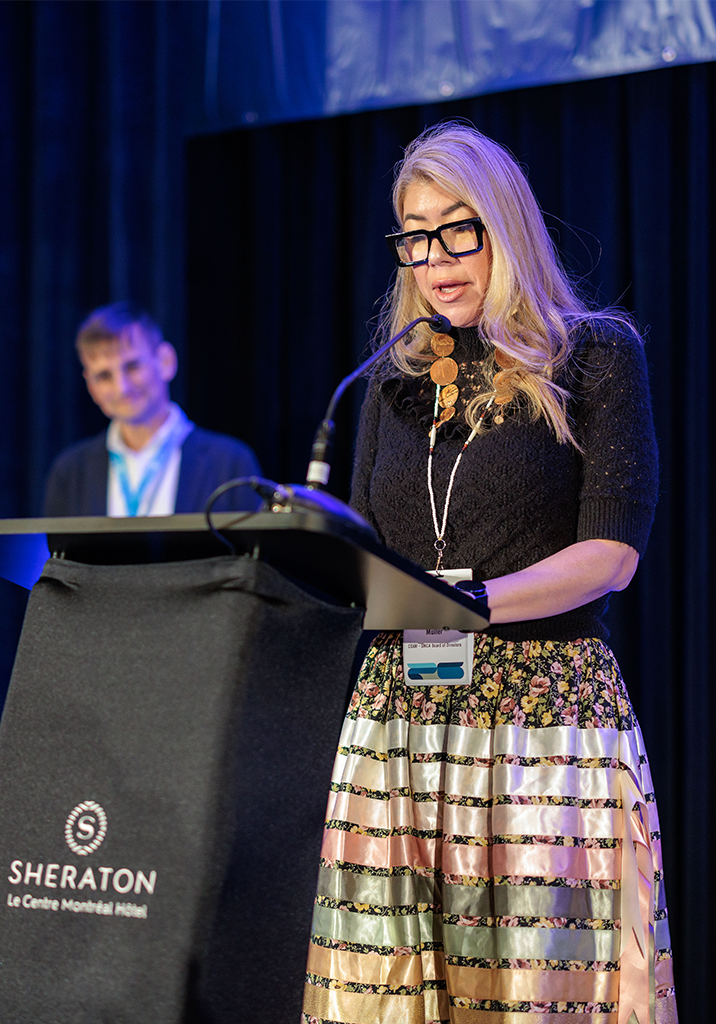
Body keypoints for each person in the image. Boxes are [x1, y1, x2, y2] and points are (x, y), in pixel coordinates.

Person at [303, 124, 675, 1023]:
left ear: (504, 224)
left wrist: (469, 605)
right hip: (396, 721)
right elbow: (363, 549)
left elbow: (613, 556)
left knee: (536, 992)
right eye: (416, 235)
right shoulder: (389, 383)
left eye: (459, 227)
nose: (436, 258)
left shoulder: (594, 355)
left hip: (542, 725)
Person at [43, 301, 261, 516]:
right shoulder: (71, 473)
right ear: (91, 386)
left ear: (166, 361)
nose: (122, 388)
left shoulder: (229, 464)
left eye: (133, 366)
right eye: (104, 376)